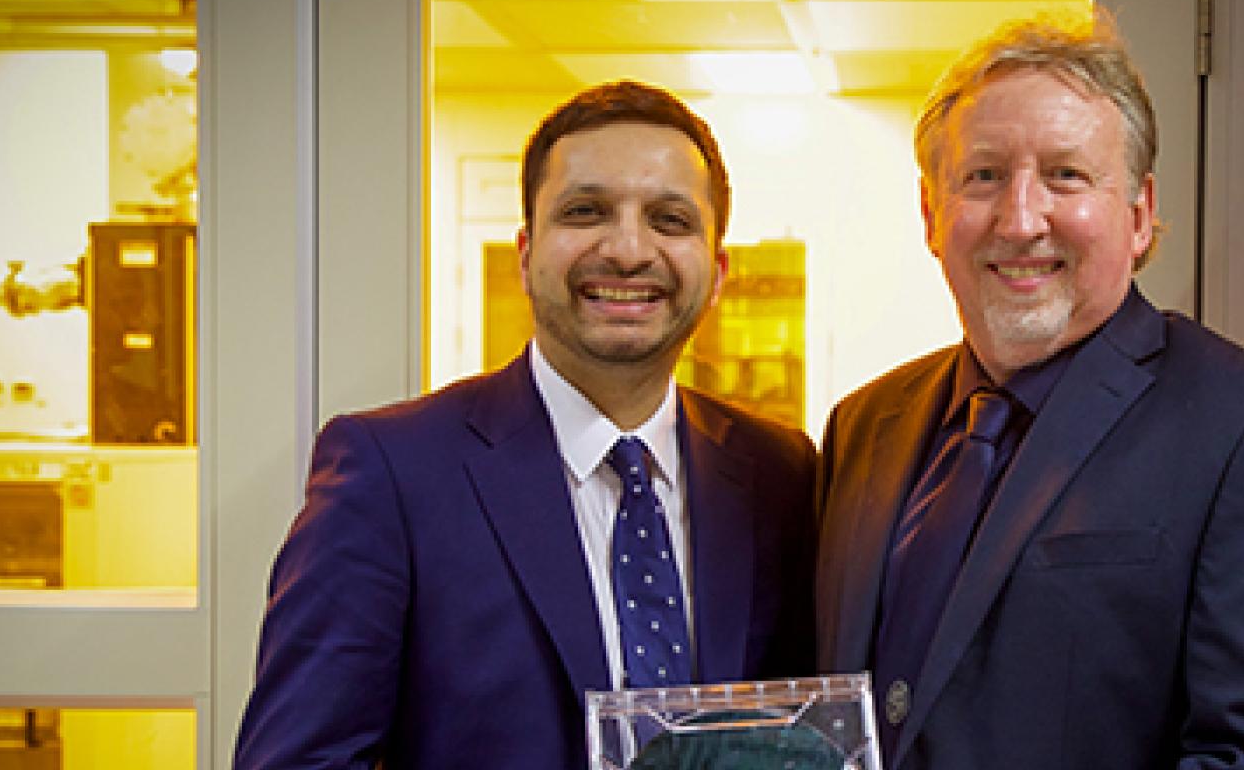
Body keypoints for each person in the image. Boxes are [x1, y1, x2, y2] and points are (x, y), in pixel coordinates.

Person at [814, 8, 1244, 770]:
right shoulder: (862, 425)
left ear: (1138, 216)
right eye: (983, 176)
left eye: (1065, 176)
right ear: (930, 215)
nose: (1020, 218)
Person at [236, 81, 817, 769]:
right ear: (524, 253)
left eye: (669, 220)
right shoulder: (391, 473)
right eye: (585, 211)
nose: (629, 250)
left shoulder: (779, 473)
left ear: (716, 272)